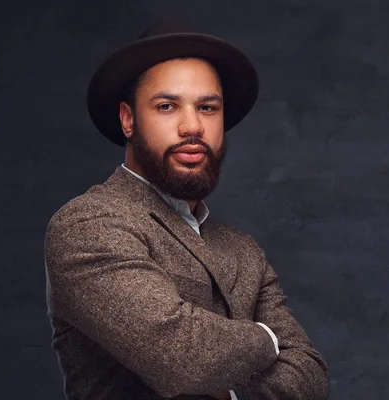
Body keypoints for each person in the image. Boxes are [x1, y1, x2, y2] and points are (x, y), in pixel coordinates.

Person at [44, 19, 329, 400]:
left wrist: (230, 392)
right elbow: (186, 360)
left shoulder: (243, 250)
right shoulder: (89, 224)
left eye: (207, 107)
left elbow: (310, 375)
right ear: (129, 119)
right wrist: (268, 338)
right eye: (167, 106)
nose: (192, 126)